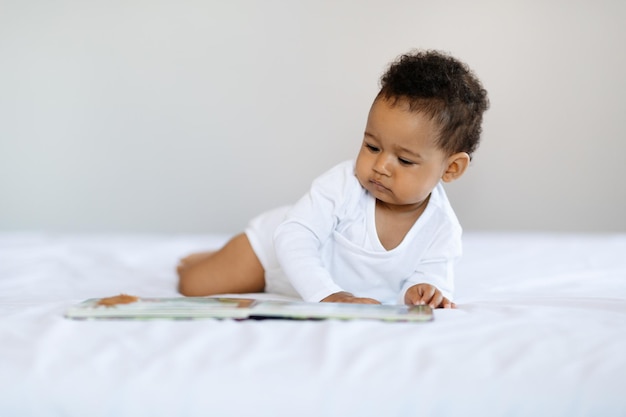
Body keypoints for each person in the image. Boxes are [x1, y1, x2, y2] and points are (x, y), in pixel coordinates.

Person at [177, 49, 489, 308]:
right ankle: (211, 257)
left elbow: (432, 274)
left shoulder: (442, 228)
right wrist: (328, 296)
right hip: (273, 252)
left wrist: (423, 290)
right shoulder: (344, 185)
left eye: (404, 160)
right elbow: (293, 238)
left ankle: (218, 256)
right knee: (193, 284)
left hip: (305, 277)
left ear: (451, 169)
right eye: (372, 146)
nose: (380, 165)